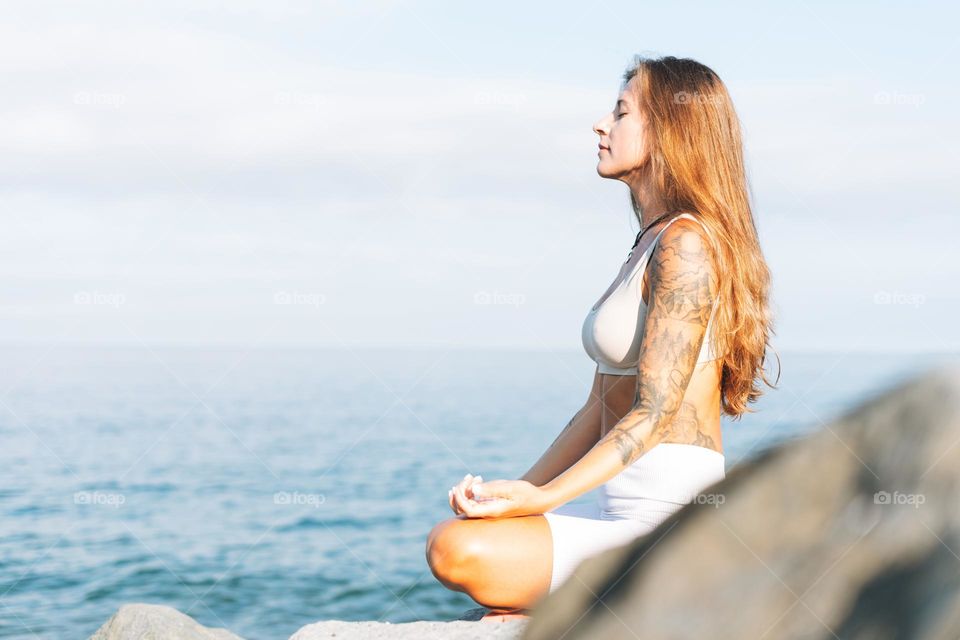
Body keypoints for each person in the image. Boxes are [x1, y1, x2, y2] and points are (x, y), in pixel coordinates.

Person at [425, 55, 779, 622]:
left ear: (670, 129)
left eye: (620, 113)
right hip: (616, 509)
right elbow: (597, 405)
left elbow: (658, 410)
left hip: (667, 516)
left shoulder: (685, 244)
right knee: (472, 536)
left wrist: (545, 501)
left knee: (456, 549)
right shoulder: (649, 241)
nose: (600, 126)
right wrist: (517, 491)